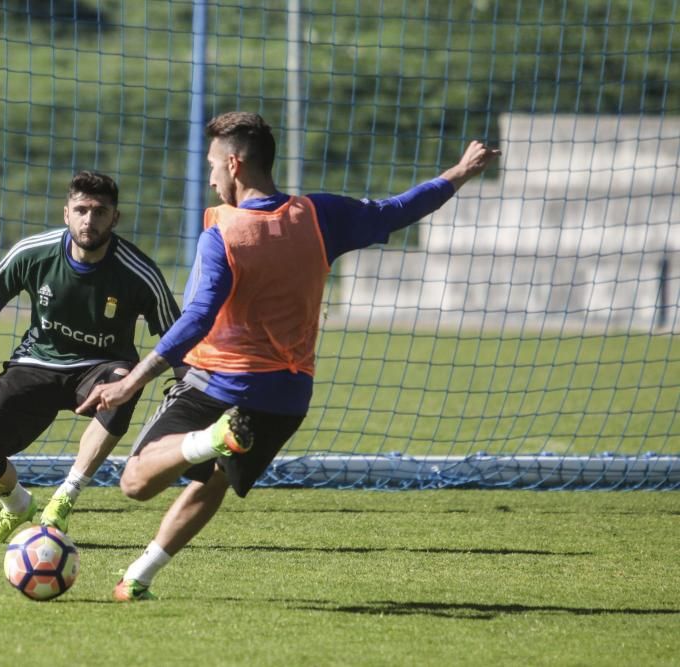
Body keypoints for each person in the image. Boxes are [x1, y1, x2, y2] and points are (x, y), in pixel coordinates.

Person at [76, 112, 501, 600]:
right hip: (286, 396)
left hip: (219, 382)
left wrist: (133, 381)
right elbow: (396, 210)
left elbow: (196, 319)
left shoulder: (224, 233)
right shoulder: (318, 216)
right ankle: (139, 577)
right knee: (213, 480)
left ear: (234, 164)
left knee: (135, 481)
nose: (210, 175)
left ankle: (210, 438)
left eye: (213, 164)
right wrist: (460, 172)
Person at [0, 170, 182, 544]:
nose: (89, 219)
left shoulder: (139, 271)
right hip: (37, 362)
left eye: (99, 211)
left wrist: (187, 388)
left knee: (123, 384)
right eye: (81, 209)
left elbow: (176, 335)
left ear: (115, 217)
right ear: (66, 213)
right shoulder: (34, 252)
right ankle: (18, 508)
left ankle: (64, 499)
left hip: (101, 368)